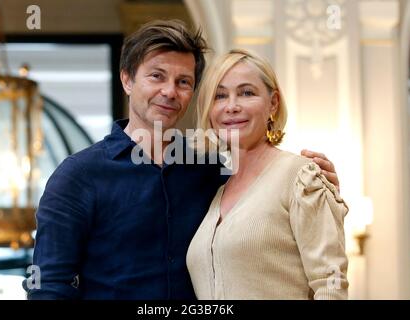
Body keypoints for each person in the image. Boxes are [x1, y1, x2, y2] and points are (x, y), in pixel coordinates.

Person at [24, 20, 341, 300]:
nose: (169, 91)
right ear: (127, 80)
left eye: (183, 82)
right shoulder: (79, 176)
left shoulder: (212, 169)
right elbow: (50, 285)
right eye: (156, 76)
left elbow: (279, 224)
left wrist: (321, 192)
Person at [186, 49, 349, 300]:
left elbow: (331, 285)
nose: (231, 106)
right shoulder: (218, 190)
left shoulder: (301, 176)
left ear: (273, 103)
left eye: (246, 93)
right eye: (220, 96)